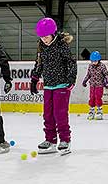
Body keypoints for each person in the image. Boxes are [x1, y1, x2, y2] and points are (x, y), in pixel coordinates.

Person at [30, 17, 77, 155]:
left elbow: (71, 63)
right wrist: (34, 79)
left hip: (61, 84)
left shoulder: (61, 45)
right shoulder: (41, 47)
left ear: (53, 33)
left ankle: (65, 140)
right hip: (48, 85)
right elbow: (39, 64)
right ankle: (50, 140)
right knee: (48, 114)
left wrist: (71, 79)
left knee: (60, 113)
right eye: (41, 37)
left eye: (46, 36)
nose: (44, 39)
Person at [82, 51, 108, 120]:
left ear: (99, 60)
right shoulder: (90, 66)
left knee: (98, 97)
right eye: (92, 61)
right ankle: (91, 111)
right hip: (92, 85)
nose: (94, 62)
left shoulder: (102, 66)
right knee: (91, 98)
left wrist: (107, 82)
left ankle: (99, 111)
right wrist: (85, 81)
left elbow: (106, 75)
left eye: (95, 61)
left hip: (99, 85)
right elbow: (88, 75)